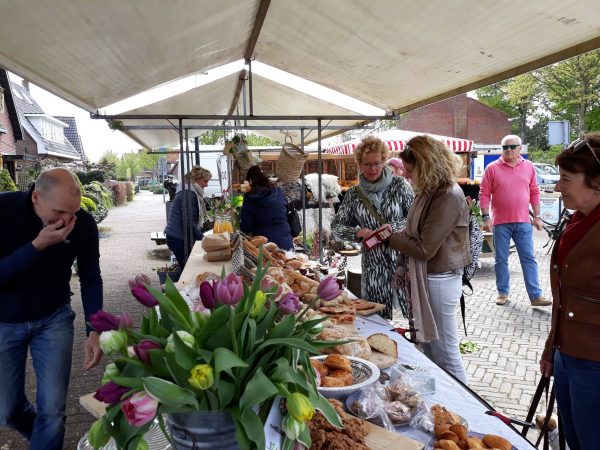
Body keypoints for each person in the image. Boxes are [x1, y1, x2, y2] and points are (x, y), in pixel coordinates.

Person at [0, 168, 103, 449]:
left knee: (52, 412)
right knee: (7, 410)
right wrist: (37, 246)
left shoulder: (82, 224)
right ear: (36, 197)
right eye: (59, 212)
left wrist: (95, 328)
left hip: (53, 317)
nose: (67, 221)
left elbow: (91, 276)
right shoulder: (4, 210)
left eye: (73, 212)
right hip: (5, 320)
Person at [388, 135, 470, 383]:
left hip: (439, 279)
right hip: (431, 277)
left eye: (411, 170)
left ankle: (467, 411)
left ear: (425, 165)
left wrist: (389, 237)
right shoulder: (431, 190)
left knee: (445, 351)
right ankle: (444, 404)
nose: (407, 176)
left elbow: (424, 248)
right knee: (434, 351)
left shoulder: (447, 196)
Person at [540, 133, 600, 450]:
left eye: (566, 179)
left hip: (594, 361)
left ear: (597, 182)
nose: (557, 187)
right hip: (568, 354)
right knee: (574, 439)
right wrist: (553, 346)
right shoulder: (578, 219)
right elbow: (566, 296)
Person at [332, 136, 414, 319]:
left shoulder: (400, 186)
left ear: (385, 161)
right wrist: (357, 233)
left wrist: (393, 227)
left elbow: (415, 219)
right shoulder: (354, 194)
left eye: (377, 163)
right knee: (376, 317)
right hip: (373, 266)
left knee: (413, 318)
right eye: (367, 164)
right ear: (359, 164)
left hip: (402, 261)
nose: (373, 168)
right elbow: (336, 226)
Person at [479, 135, 550, 307]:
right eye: (505, 147)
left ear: (520, 149)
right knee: (501, 259)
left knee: (528, 258)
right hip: (500, 223)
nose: (508, 150)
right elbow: (484, 193)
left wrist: (538, 217)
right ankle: (502, 293)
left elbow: (534, 192)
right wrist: (485, 217)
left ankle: (535, 296)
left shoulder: (529, 167)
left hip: (523, 221)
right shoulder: (492, 168)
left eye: (512, 147)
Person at [165, 166, 211, 268]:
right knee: (188, 269)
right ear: (196, 179)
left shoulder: (189, 191)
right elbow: (189, 222)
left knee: (188, 267)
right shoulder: (188, 194)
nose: (207, 185)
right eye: (205, 181)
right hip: (178, 238)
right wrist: (203, 239)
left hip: (178, 236)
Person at [240, 165, 293, 250]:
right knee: (286, 262)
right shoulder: (277, 191)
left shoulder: (249, 198)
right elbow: (285, 211)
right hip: (286, 242)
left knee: (268, 263)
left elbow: (246, 227)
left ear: (250, 181)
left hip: (264, 247)